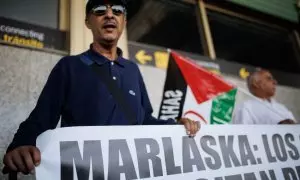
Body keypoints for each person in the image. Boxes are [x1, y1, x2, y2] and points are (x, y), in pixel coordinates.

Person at [2, 0, 200, 175]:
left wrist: (175, 126)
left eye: (117, 10)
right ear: (88, 21)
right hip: (84, 172)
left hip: (132, 171)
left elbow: (145, 120)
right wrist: (20, 144)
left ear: (124, 21)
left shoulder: (132, 70)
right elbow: (42, 117)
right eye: (99, 9)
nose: (109, 14)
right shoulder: (69, 66)